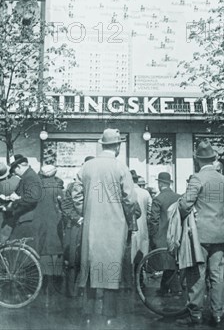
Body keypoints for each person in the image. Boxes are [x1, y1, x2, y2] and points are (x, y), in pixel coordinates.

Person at [72, 128, 138, 325]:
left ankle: (88, 312)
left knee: (91, 267)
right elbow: (130, 199)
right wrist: (128, 218)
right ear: (117, 146)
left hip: (92, 225)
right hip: (115, 226)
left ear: (102, 144)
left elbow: (75, 193)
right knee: (111, 268)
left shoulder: (87, 167)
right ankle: (109, 315)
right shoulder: (120, 168)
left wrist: (85, 211)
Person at [178, 141, 224, 327]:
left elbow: (185, 205)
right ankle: (217, 314)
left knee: (197, 274)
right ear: (213, 159)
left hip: (200, 234)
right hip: (220, 233)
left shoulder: (197, 178)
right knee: (217, 274)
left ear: (198, 160)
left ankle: (196, 314)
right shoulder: (223, 180)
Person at [61, 156, 94, 297]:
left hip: (93, 227)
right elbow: (66, 205)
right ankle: (72, 292)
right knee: (73, 260)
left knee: (91, 260)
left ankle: (88, 292)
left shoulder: (96, 186)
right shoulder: (72, 186)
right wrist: (79, 218)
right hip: (76, 226)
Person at [33, 164, 64, 299]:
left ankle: (43, 282)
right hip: (55, 223)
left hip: (40, 223)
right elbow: (64, 206)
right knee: (55, 251)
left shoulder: (37, 188)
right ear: (54, 174)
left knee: (43, 250)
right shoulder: (57, 188)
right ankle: (54, 283)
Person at [7, 155, 42, 248]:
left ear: (18, 166)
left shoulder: (30, 177)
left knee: (14, 248)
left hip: (27, 219)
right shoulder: (28, 175)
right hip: (26, 218)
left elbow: (33, 198)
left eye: (14, 170)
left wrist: (17, 200)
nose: (14, 173)